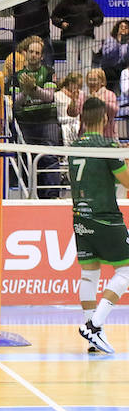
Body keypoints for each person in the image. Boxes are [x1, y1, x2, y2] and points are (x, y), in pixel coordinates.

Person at [66, 97, 129, 354]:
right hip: (105, 218)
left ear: (82, 119)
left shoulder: (73, 147)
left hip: (80, 218)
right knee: (126, 271)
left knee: (89, 274)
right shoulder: (107, 145)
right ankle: (94, 325)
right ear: (105, 119)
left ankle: (94, 334)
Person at [9, 37, 62, 199]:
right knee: (27, 158)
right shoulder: (17, 76)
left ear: (41, 56)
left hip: (47, 121)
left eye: (37, 53)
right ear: (26, 54)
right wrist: (25, 92)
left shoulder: (49, 72)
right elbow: (15, 103)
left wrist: (34, 88)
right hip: (25, 122)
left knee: (50, 156)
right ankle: (31, 194)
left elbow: (49, 97)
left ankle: (52, 196)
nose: (33, 55)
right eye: (31, 52)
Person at [51, 0, 103, 80]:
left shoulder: (90, 2)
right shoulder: (65, 2)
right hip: (71, 36)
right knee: (71, 64)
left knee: (86, 64)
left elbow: (100, 17)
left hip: (86, 36)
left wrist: (92, 22)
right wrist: (61, 23)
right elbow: (54, 16)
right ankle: (71, 85)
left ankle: (87, 88)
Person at [13, 0, 52, 67]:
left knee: (46, 66)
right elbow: (14, 3)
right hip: (21, 37)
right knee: (19, 66)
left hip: (41, 35)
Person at [67, 67, 119, 137]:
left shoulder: (109, 94)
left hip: (106, 135)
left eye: (94, 80)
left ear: (102, 81)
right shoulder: (83, 95)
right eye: (89, 80)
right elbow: (72, 113)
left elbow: (114, 111)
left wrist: (100, 100)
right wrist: (73, 101)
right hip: (85, 135)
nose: (91, 82)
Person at [101, 18, 129, 93]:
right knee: (109, 73)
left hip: (124, 68)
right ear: (117, 29)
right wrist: (118, 43)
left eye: (126, 28)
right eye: (121, 27)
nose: (123, 29)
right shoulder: (110, 40)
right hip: (110, 68)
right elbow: (108, 56)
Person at [56, 72, 83, 146]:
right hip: (63, 125)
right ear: (70, 83)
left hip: (79, 124)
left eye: (81, 86)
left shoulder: (81, 94)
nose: (79, 88)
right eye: (78, 85)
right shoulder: (57, 95)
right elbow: (61, 115)